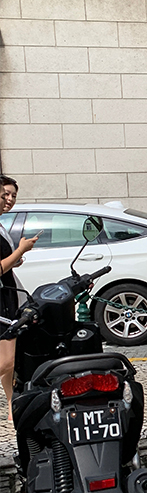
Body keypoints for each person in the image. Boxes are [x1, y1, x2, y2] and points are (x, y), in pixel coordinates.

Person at [0, 177, 38, 419]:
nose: (9, 200)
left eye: (13, 195)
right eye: (4, 194)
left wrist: (16, 258)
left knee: (9, 361)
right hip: (2, 300)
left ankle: (12, 405)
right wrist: (20, 251)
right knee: (7, 360)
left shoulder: (2, 226)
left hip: (9, 296)